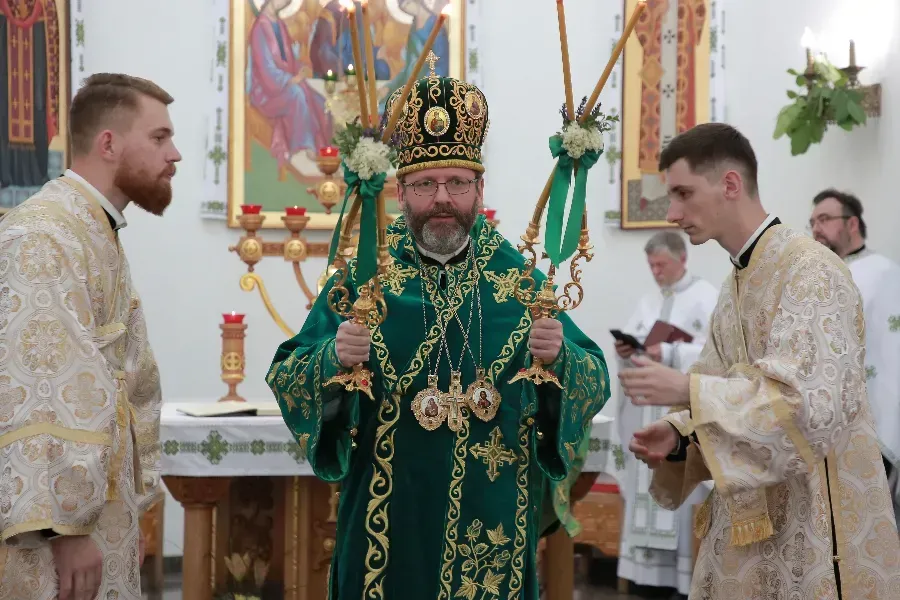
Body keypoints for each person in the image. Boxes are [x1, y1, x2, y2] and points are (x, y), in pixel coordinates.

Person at [266, 70, 610, 599]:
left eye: (458, 183)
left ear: (479, 189)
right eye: (425, 184)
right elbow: (289, 372)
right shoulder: (362, 281)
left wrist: (562, 359)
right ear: (400, 191)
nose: (442, 199)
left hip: (493, 523)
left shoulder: (520, 283)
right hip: (390, 523)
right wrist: (331, 358)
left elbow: (593, 375)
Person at [618, 122, 899, 599]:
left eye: (684, 193)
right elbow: (717, 385)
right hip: (747, 531)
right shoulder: (734, 286)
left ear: (730, 184)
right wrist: (680, 434)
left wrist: (688, 391)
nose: (673, 212)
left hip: (813, 530)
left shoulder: (811, 271)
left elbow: (810, 407)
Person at [0, 73, 178, 600]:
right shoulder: (43, 236)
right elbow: (39, 387)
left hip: (97, 521)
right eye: (160, 137)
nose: (176, 154)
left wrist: (128, 508)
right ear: (108, 143)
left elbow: (125, 382)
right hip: (54, 540)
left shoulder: (92, 229)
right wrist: (66, 528)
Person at [615, 231, 717, 598]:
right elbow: (635, 349)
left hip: (681, 416)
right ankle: (645, 580)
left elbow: (718, 356)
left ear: (682, 259)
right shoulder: (648, 300)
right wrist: (627, 350)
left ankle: (681, 583)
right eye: (652, 265)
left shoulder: (707, 298)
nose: (656, 272)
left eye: (662, 264)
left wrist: (673, 354)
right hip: (647, 413)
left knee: (680, 491)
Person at [810, 189, 900, 519]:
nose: (816, 228)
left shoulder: (883, 274)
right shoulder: (820, 274)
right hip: (824, 424)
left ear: (851, 223)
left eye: (824, 219)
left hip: (870, 424)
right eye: (812, 222)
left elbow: (891, 353)